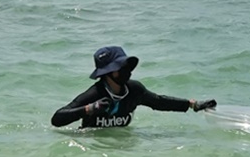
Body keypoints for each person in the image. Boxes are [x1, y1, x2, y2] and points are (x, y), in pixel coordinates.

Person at [51, 45, 217, 129]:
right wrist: (88, 109)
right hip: (94, 145)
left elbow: (159, 102)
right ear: (108, 72)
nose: (127, 71)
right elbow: (57, 119)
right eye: (121, 67)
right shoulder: (95, 94)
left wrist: (192, 105)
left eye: (127, 66)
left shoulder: (135, 90)